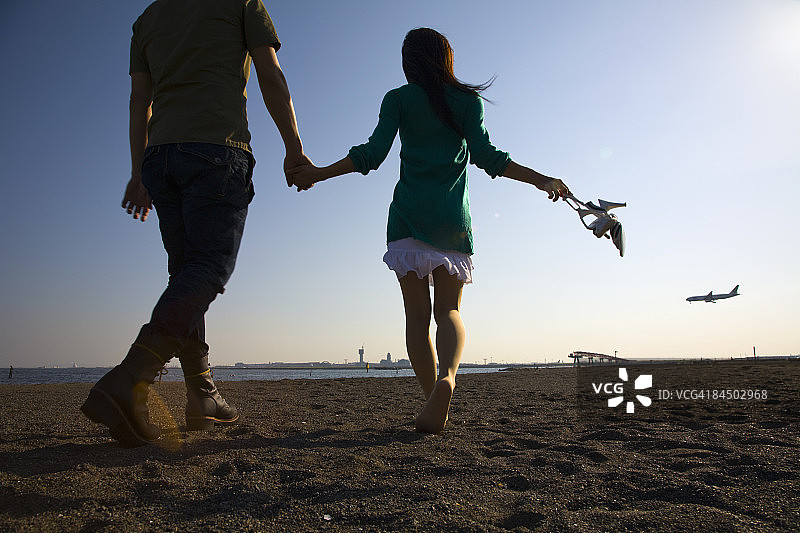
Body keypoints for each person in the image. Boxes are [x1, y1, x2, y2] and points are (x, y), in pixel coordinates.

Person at [288, 28, 569, 434]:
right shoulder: (467, 101)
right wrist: (541, 179)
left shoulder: (398, 99)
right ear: (446, 59)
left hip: (406, 221)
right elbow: (490, 158)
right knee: (449, 312)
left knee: (416, 320)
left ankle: (432, 399)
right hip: (452, 224)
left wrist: (318, 173)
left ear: (409, 63)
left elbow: (371, 155)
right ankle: (447, 380)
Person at [81, 0, 310, 447]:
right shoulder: (242, 3)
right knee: (206, 270)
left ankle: (201, 395)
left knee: (185, 276)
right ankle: (131, 378)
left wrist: (137, 172)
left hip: (161, 160)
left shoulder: (147, 19)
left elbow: (138, 104)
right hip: (216, 151)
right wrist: (294, 146)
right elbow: (270, 75)